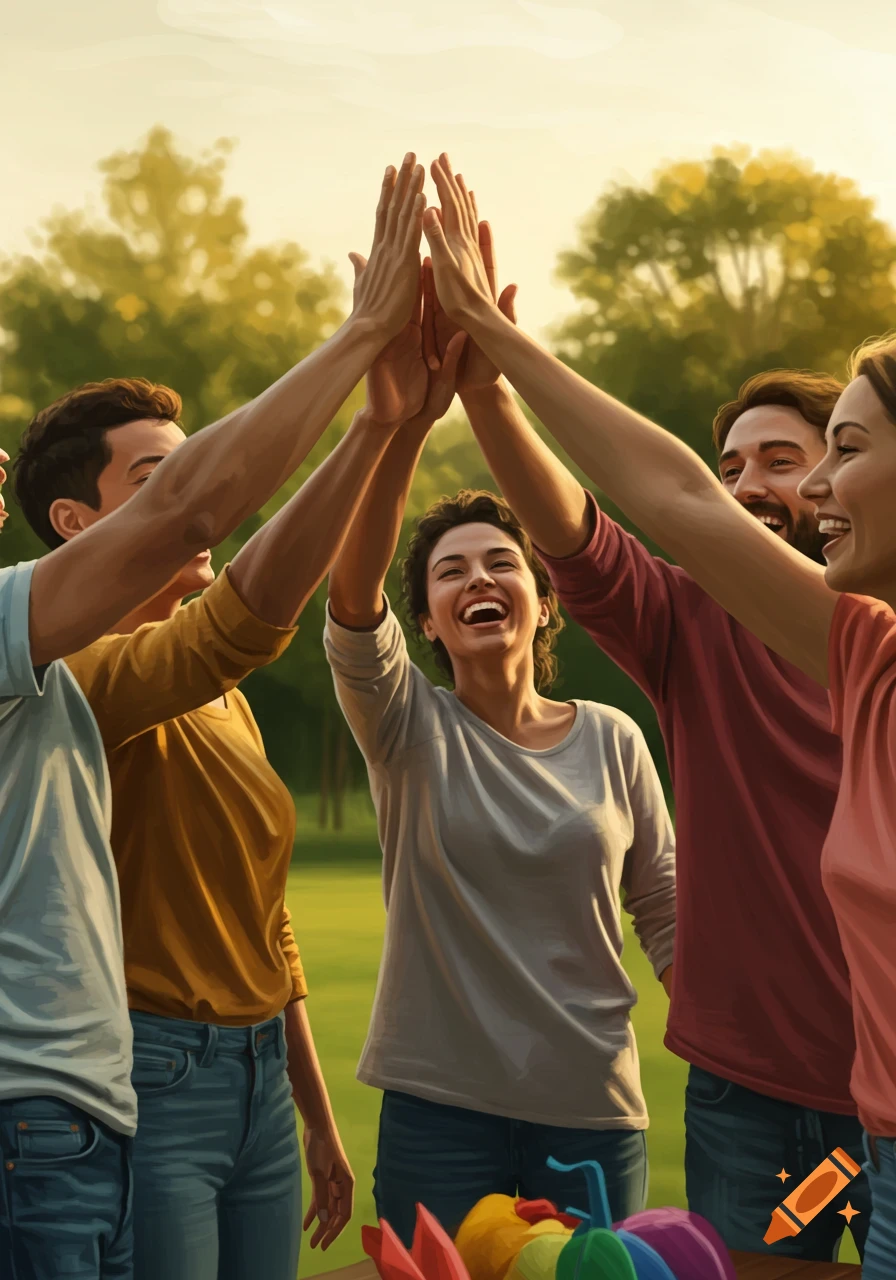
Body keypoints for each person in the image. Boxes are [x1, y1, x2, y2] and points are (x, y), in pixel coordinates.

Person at [419, 153, 896, 1279]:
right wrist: (490, 365)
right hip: (777, 1098)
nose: (791, 487)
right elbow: (655, 506)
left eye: (825, 452)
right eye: (747, 463)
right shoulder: (853, 652)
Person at [0, 153, 426, 1280]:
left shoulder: (218, 702)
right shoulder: (72, 671)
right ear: (73, 517)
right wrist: (361, 379)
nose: (196, 487)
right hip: (139, 1074)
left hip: (245, 1083)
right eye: (153, 476)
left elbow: (263, 925)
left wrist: (309, 1108)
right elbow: (238, 602)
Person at [323, 261, 677, 1247]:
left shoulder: (611, 736)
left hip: (591, 1109)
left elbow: (661, 900)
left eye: (499, 561)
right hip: (439, 1114)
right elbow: (351, 600)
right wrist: (396, 423)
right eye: (448, 572)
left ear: (541, 596)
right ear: (430, 619)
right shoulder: (405, 727)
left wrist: (721, 1035)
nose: (477, 577)